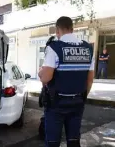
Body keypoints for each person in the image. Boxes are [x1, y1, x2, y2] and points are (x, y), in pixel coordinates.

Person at [38, 16, 95, 147]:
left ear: (57, 30)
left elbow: (46, 78)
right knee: (74, 141)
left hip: (56, 104)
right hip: (78, 103)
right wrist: (81, 97)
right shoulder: (88, 49)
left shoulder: (54, 48)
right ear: (72, 29)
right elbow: (90, 79)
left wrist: (40, 72)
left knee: (52, 142)